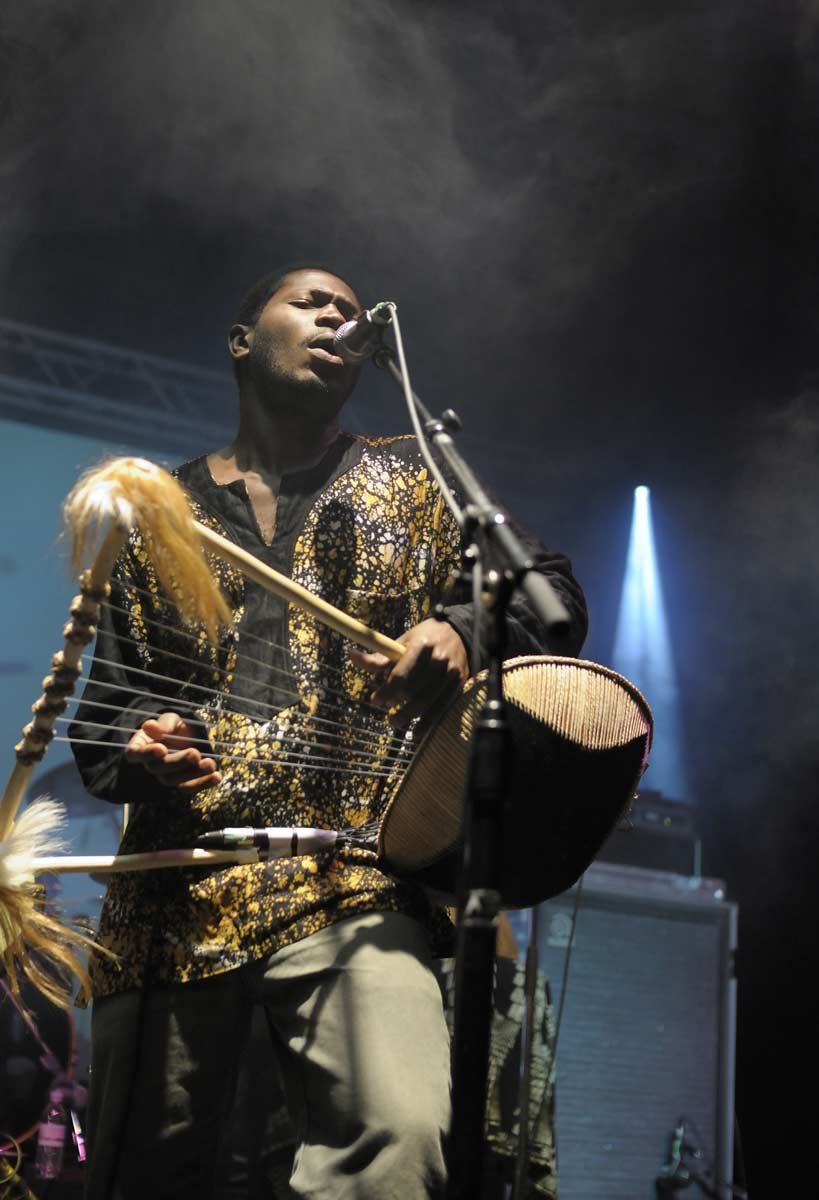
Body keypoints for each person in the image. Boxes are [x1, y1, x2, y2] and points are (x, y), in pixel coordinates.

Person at [69, 264, 588, 1200]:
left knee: (400, 1134)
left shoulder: (416, 478)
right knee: (143, 1169)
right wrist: (139, 750)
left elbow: (547, 593)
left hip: (354, 876)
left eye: (349, 310)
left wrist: (459, 629)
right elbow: (104, 716)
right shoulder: (158, 515)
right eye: (310, 302)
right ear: (242, 341)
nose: (336, 317)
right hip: (177, 890)